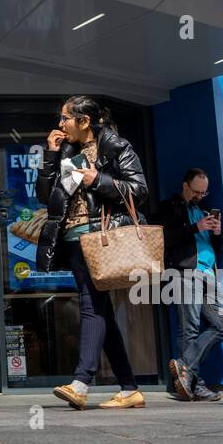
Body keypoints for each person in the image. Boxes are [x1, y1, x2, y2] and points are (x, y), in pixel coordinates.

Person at [38, 95, 150, 410]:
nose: (60, 125)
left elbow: (139, 190)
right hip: (73, 240)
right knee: (102, 312)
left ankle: (81, 382)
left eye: (65, 118)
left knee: (91, 304)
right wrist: (51, 154)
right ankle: (129, 388)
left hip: (100, 237)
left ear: (84, 121)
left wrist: (97, 179)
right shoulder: (68, 151)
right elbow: (46, 197)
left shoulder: (116, 147)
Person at [156, 168, 223, 402]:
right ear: (185, 186)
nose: (200, 196)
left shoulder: (203, 210)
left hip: (209, 275)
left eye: (204, 192)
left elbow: (214, 248)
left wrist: (216, 234)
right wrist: (195, 227)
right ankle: (194, 385)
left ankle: (184, 366)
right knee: (189, 329)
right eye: (196, 191)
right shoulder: (170, 207)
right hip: (185, 273)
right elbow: (165, 239)